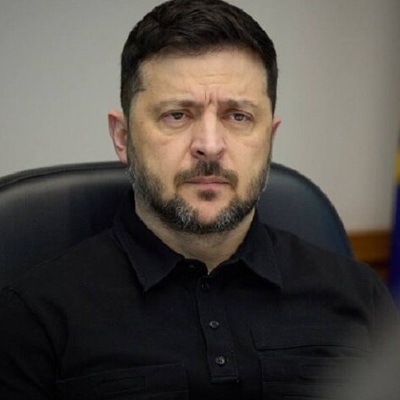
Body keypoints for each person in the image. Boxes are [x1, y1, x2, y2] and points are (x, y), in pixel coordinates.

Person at [0, 0, 398, 399]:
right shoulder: (35, 317)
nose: (210, 145)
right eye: (177, 115)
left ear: (269, 138)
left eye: (238, 116)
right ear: (123, 137)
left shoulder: (359, 295)